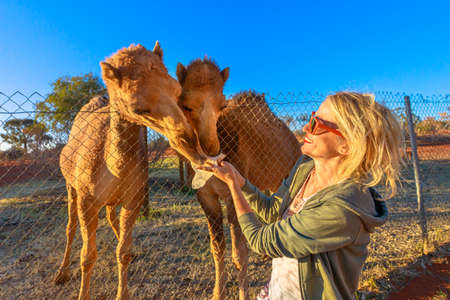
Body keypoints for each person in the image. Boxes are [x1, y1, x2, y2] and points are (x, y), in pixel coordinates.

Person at [200, 92, 404, 299]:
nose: (306, 127)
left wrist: (233, 187)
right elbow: (273, 211)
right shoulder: (306, 167)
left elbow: (260, 240)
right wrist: (240, 180)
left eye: (318, 124)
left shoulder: (342, 208)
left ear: (347, 145)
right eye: (312, 117)